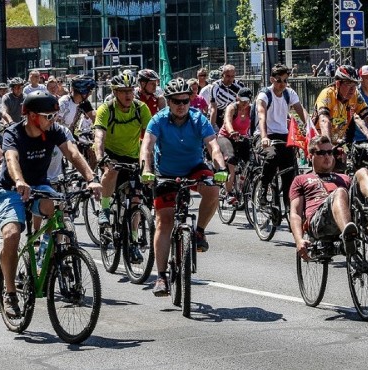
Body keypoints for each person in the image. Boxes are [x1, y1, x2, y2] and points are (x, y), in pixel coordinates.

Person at [0, 91, 101, 317]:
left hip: (40, 185)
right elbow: (11, 159)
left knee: (58, 209)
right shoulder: (14, 133)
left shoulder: (54, 131)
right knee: (11, 235)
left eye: (54, 116)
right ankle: (10, 292)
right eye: (48, 116)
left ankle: (47, 256)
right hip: (11, 188)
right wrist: (20, 181)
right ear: (32, 116)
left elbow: (72, 153)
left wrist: (92, 179)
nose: (53, 120)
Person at [139, 78, 226, 296]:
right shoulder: (157, 120)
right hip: (165, 173)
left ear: (190, 100)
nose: (181, 105)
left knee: (213, 189)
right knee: (164, 221)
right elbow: (147, 148)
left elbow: (213, 147)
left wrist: (221, 168)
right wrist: (146, 170)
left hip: (194, 168)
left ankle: (199, 232)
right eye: (176, 101)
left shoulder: (199, 119)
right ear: (168, 102)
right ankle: (161, 276)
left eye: (185, 100)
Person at [290, 135, 368, 262]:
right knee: (339, 192)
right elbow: (295, 213)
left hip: (348, 216)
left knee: (361, 172)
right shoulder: (301, 179)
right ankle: (348, 236)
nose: (327, 156)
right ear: (311, 156)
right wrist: (299, 240)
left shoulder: (344, 178)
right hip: (319, 221)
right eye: (321, 153)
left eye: (330, 152)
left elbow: (357, 206)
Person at [94, 72, 152, 227]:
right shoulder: (106, 109)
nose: (128, 95)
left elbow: (150, 136)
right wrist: (100, 158)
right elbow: (99, 137)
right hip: (111, 153)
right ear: (115, 92)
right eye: (123, 91)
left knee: (135, 200)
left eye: (130, 90)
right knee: (111, 169)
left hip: (134, 154)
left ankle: (133, 240)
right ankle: (104, 208)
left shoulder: (141, 108)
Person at [256, 63, 309, 210]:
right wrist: (264, 137)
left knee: (290, 170)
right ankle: (263, 188)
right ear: (272, 79)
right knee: (272, 157)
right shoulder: (264, 95)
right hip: (264, 133)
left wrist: (311, 129)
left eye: (285, 80)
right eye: (279, 80)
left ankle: (289, 206)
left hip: (283, 135)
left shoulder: (289, 93)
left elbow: (301, 111)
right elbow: (261, 116)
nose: (283, 84)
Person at [314, 64, 368, 150]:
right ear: (338, 83)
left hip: (335, 140)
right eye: (349, 84)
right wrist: (328, 147)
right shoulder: (327, 94)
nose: (353, 89)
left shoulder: (355, 95)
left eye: (355, 85)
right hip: (318, 141)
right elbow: (324, 120)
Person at [217, 88, 253, 202]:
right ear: (237, 98)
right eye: (242, 100)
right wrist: (232, 132)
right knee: (231, 159)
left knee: (252, 159)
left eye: (247, 101)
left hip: (242, 138)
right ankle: (228, 192)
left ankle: (244, 184)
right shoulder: (232, 108)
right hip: (226, 137)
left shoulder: (251, 109)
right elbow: (227, 121)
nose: (244, 103)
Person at [206, 64, 244, 132]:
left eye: (232, 76)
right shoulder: (215, 86)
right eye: (227, 76)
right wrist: (211, 127)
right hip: (218, 112)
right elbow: (213, 108)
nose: (230, 79)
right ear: (222, 75)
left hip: (232, 112)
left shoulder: (239, 86)